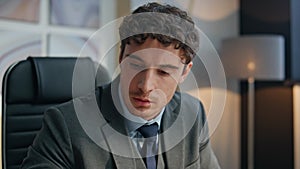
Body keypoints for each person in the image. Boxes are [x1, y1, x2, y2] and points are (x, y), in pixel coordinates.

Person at [21, 2, 220, 169]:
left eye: (163, 72)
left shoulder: (193, 113)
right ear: (120, 58)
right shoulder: (65, 124)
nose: (146, 86)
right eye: (135, 65)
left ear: (185, 72)